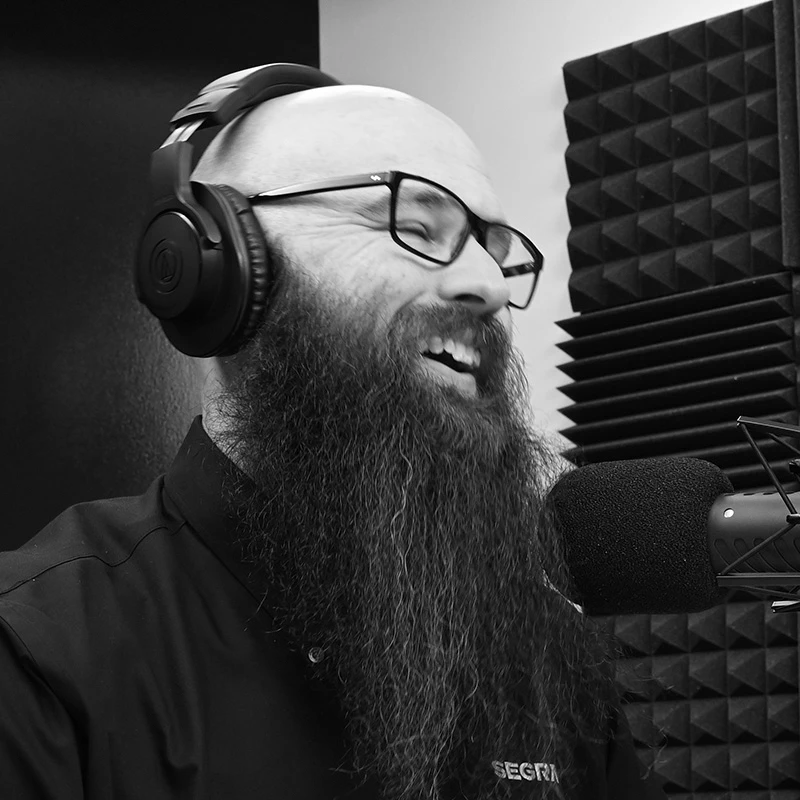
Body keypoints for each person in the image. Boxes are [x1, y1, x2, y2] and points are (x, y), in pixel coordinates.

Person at [0, 65, 667, 799]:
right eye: (415, 226)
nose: (489, 285)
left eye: (495, 250)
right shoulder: (41, 651)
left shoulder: (548, 658)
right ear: (220, 271)